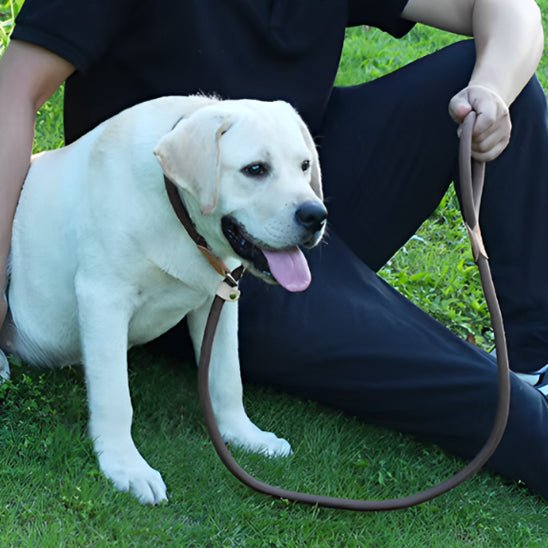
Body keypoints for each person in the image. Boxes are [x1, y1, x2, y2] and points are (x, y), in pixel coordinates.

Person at [1, 0, 547, 498]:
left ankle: (532, 359)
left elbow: (502, 8)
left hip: (302, 196)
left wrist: (492, 92)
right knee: (496, 406)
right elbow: (13, 89)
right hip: (170, 249)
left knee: (492, 79)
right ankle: (529, 417)